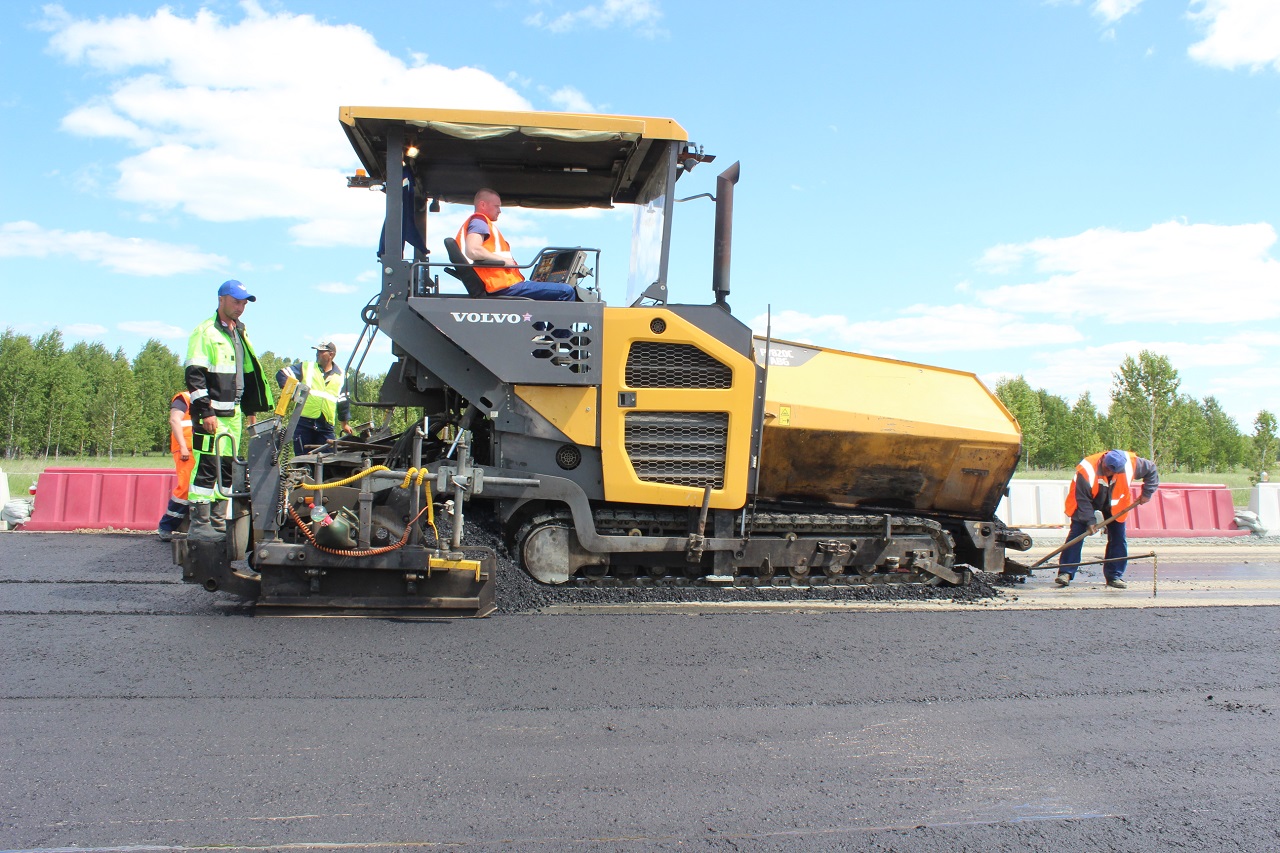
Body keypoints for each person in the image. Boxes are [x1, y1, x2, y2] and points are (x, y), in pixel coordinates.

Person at [184, 280, 273, 541]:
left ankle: (217, 521)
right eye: (237, 301)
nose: (241, 307)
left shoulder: (239, 332)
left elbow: (245, 374)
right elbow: (195, 376)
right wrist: (206, 411)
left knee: (226, 468)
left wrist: (250, 409)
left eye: (244, 302)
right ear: (221, 299)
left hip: (232, 415)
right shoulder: (206, 332)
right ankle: (199, 524)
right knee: (206, 467)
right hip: (211, 415)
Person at [1056, 449, 1159, 589]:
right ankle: (1066, 572)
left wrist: (1147, 493)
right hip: (1087, 502)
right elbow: (1083, 499)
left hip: (1115, 504)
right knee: (1077, 534)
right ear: (1103, 461)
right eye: (1107, 469)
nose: (1109, 473)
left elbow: (1151, 470)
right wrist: (1090, 521)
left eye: (1112, 472)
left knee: (1118, 538)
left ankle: (1114, 575)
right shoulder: (1087, 469)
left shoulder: (1132, 464)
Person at [455, 188, 577, 301]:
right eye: (496, 206)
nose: (500, 211)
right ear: (482, 205)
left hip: (501, 284)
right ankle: (561, 326)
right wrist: (503, 260)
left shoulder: (482, 223)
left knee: (534, 307)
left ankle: (540, 326)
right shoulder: (479, 221)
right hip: (501, 286)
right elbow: (473, 250)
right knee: (566, 291)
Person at [277, 341, 352, 456]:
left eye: (321, 352)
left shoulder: (342, 375)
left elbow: (343, 401)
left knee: (328, 460)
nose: (317, 354)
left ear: (331, 355)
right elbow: (282, 375)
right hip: (304, 422)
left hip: (326, 425)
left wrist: (344, 424)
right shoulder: (307, 367)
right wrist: (295, 392)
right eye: (317, 351)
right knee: (302, 461)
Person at [156, 390, 194, 542]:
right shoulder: (184, 398)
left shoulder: (209, 399)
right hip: (187, 450)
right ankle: (167, 525)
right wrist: (183, 446)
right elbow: (174, 420)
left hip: (202, 450)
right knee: (185, 489)